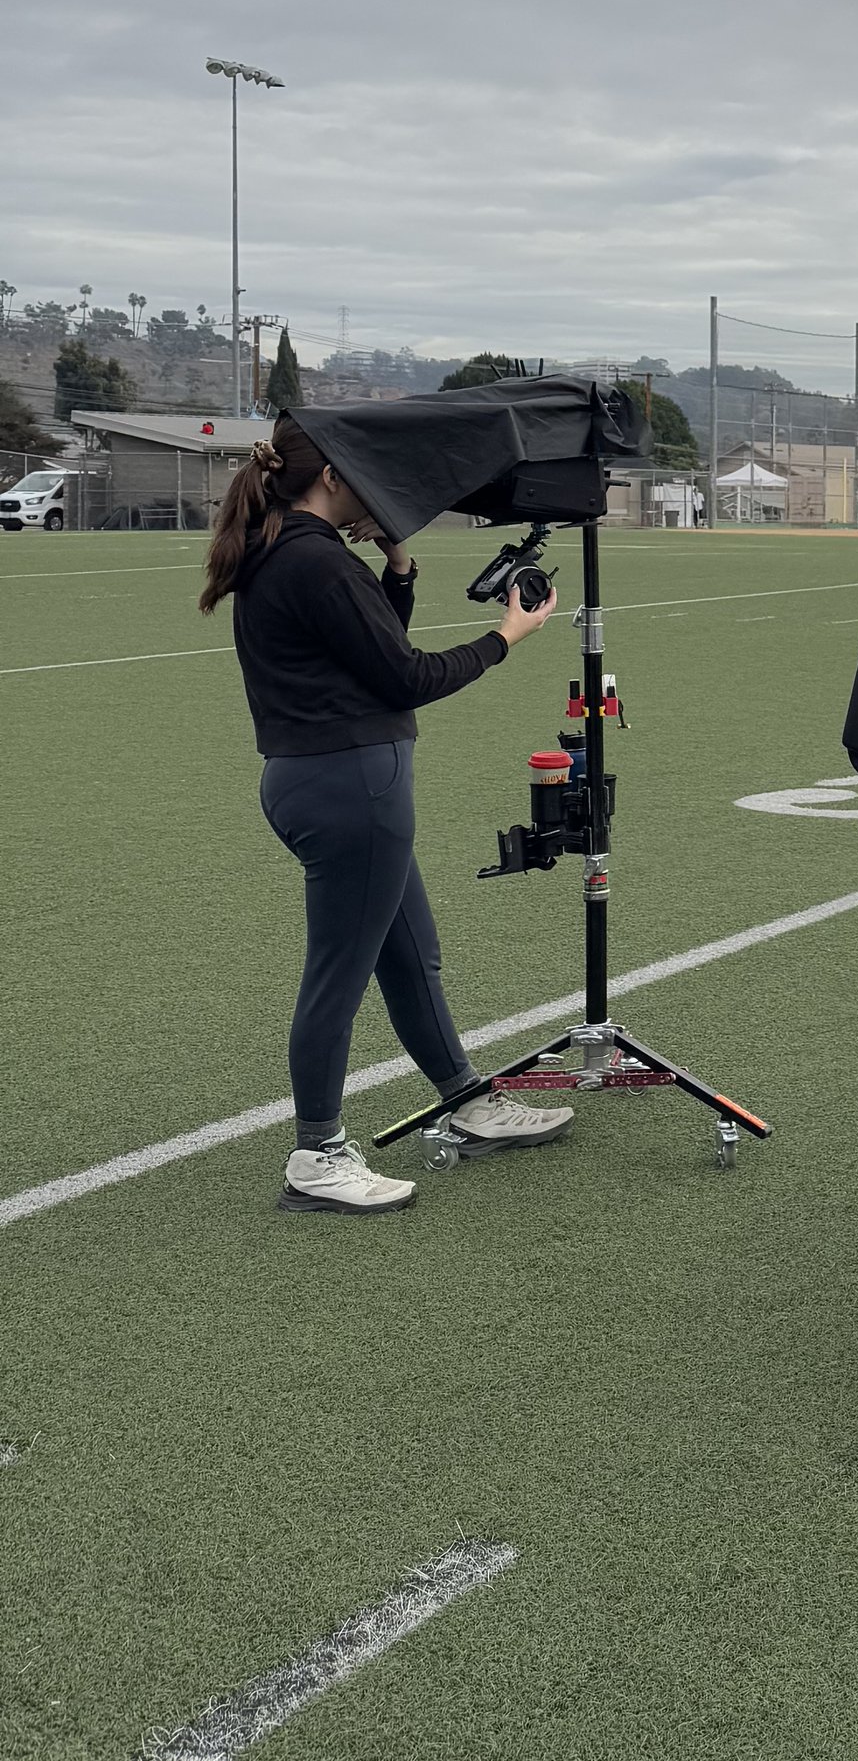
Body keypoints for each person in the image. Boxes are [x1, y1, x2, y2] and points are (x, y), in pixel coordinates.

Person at [200, 417, 559, 1213]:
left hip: (327, 781)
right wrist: (506, 635)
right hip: (348, 787)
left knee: (409, 956)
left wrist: (398, 565)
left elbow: (370, 651)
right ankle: (317, 1153)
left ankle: (465, 1097)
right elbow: (405, 677)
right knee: (339, 974)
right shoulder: (315, 560)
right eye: (363, 475)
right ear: (331, 476)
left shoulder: (290, 547)